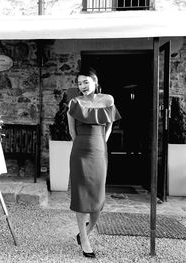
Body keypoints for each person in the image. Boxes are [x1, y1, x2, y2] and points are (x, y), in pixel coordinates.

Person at [67, 67, 121, 258]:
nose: (82, 86)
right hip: (80, 153)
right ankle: (85, 241)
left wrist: (101, 143)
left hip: (100, 153)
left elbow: (109, 125)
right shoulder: (74, 103)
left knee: (98, 199)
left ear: (95, 81)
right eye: (79, 83)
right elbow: (72, 132)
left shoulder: (108, 100)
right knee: (82, 198)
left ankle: (86, 232)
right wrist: (83, 145)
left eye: (85, 82)